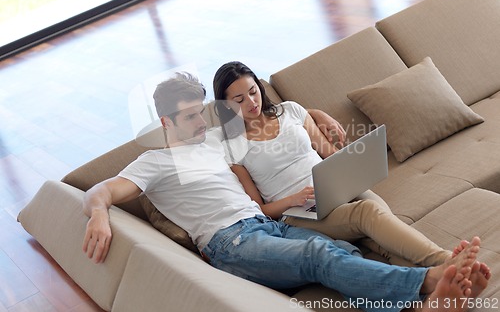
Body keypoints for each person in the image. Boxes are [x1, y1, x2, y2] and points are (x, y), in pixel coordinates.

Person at [82, 72, 490, 312]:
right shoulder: (153, 163)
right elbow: (100, 191)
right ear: (165, 121)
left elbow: (280, 123)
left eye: (201, 113)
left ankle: (421, 304)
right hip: (230, 242)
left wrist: (315, 114)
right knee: (318, 253)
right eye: (190, 117)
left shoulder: (213, 145)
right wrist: (99, 212)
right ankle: (429, 282)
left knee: (346, 253)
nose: (201, 123)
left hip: (265, 229)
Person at [213, 62, 452, 267]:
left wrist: (353, 164)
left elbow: (330, 154)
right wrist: (294, 199)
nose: (251, 102)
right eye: (239, 99)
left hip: (336, 187)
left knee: (381, 235)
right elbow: (259, 210)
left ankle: (441, 280)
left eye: (253, 91)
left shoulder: (291, 111)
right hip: (298, 211)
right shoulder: (233, 147)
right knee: (368, 213)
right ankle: (447, 261)